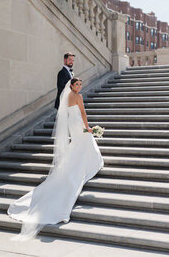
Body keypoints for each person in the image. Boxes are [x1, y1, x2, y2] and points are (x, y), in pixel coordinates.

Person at [7, 77, 104, 241]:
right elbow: (82, 112)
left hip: (72, 127)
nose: (79, 87)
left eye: (80, 84)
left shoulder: (66, 97)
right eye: (77, 84)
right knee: (86, 141)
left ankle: (80, 164)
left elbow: (65, 115)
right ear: (72, 86)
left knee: (79, 146)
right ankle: (91, 164)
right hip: (79, 125)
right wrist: (88, 127)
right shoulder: (78, 97)